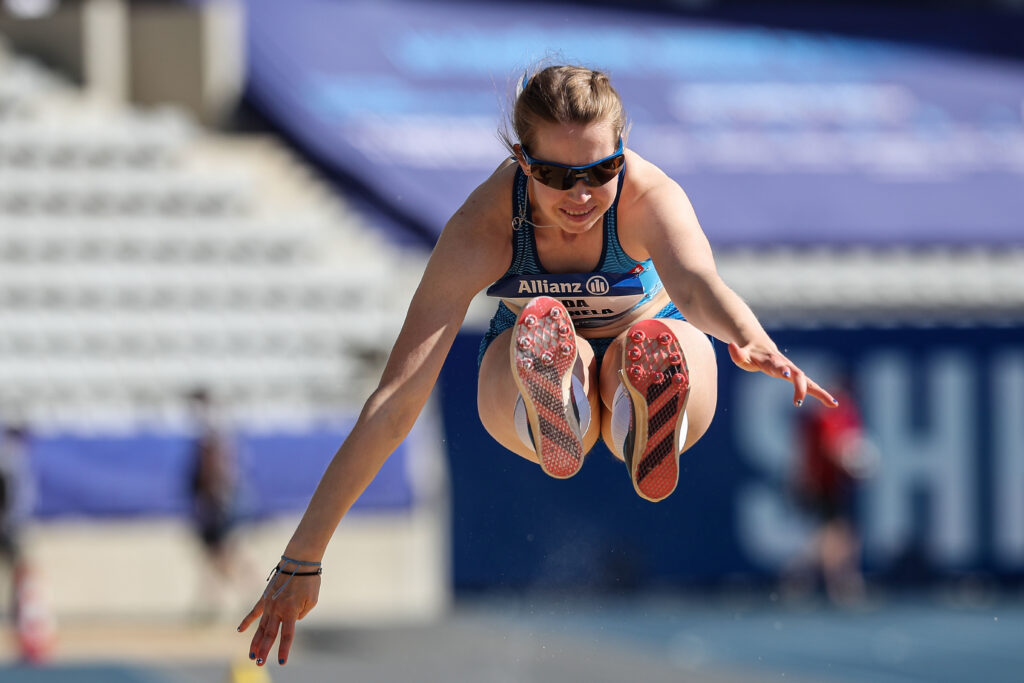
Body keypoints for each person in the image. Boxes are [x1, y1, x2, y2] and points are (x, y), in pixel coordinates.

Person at [238, 64, 837, 667]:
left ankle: (634, 414)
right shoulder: (486, 223)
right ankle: (558, 401)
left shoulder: (649, 195)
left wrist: (752, 337)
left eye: (601, 171)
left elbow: (698, 281)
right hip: (526, 363)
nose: (581, 196)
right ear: (523, 162)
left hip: (650, 348)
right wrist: (303, 555)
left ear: (622, 153)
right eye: (556, 176)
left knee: (663, 345)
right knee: (545, 332)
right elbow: (398, 398)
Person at [787, 377, 868, 605]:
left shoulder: (841, 413)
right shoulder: (825, 415)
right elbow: (829, 447)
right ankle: (835, 583)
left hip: (834, 482)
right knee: (833, 534)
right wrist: (851, 462)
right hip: (823, 482)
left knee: (836, 533)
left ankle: (835, 582)